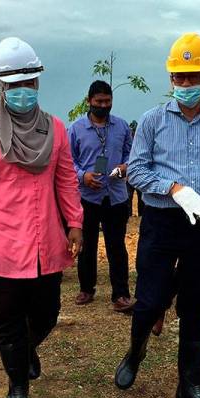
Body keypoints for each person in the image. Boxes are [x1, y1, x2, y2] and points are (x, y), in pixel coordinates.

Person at [0, 37, 83, 398]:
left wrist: (75, 222)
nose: (22, 92)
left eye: (28, 84)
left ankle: (26, 351)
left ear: (38, 84)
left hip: (46, 242)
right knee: (8, 320)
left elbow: (66, 180)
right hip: (1, 246)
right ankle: (17, 385)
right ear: (0, 88)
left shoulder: (56, 129)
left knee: (46, 314)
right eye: (14, 86)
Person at [114, 33, 200, 398]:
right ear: (170, 78)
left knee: (196, 305)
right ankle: (135, 354)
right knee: (150, 300)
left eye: (193, 76)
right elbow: (136, 170)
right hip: (162, 221)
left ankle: (190, 385)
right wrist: (174, 188)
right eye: (178, 77)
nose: (185, 84)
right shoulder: (152, 122)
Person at [151, 86, 200, 342]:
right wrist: (174, 189)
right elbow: (141, 168)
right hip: (169, 215)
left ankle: (194, 325)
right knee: (165, 278)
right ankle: (159, 306)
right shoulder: (158, 121)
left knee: (194, 283)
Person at [69, 80, 133, 313]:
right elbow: (68, 162)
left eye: (107, 102)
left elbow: (131, 154)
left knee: (117, 245)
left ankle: (121, 294)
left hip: (115, 195)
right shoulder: (76, 129)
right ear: (89, 101)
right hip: (88, 196)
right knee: (86, 244)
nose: (103, 106)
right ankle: (86, 288)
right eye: (99, 102)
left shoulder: (122, 127)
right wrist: (82, 176)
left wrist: (123, 168)